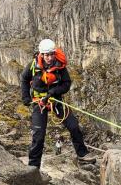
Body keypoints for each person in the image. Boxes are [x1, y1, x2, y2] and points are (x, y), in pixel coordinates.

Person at [20, 38, 96, 167]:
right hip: (39, 103)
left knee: (74, 126)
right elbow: (24, 79)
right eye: (47, 55)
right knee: (38, 135)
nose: (49, 58)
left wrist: (53, 92)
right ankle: (33, 166)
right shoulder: (33, 65)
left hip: (56, 100)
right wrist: (26, 98)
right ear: (42, 54)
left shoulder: (60, 66)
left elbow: (66, 84)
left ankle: (82, 155)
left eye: (51, 54)